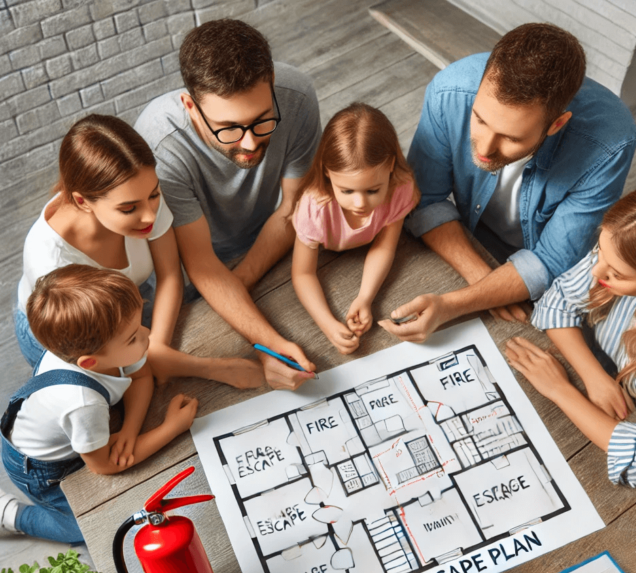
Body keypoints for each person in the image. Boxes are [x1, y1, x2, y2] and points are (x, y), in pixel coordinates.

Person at [381, 23, 636, 343]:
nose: (485, 149)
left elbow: (554, 258)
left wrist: (452, 304)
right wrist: (485, 284)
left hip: (550, 270)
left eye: (511, 137)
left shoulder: (610, 144)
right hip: (469, 238)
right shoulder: (450, 90)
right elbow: (425, 198)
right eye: (479, 119)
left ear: (557, 124)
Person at [135, 18, 322, 389]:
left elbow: (293, 209)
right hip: (178, 275)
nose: (250, 144)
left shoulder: (296, 96)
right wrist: (269, 344)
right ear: (190, 105)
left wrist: (241, 281)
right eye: (229, 128)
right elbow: (200, 263)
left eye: (262, 121)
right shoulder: (159, 146)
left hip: (262, 247)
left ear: (271, 81)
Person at [15, 114, 264, 391]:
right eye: (128, 209)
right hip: (72, 334)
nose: (149, 216)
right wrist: (214, 368)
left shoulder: (140, 195)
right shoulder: (50, 261)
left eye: (155, 195)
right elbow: (111, 357)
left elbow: (170, 275)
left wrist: (157, 346)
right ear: (83, 202)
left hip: (124, 307)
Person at [505, 177, 636, 502]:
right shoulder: (622, 247)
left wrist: (560, 389)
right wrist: (593, 377)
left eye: (617, 274)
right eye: (600, 252)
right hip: (618, 388)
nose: (597, 272)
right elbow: (558, 301)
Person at [0, 265, 199, 542]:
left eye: (139, 322)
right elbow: (104, 464)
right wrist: (172, 428)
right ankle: (12, 515)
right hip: (38, 468)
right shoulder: (83, 404)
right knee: (85, 530)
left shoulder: (92, 348)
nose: (146, 334)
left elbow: (141, 375)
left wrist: (130, 430)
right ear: (90, 363)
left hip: (71, 428)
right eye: (132, 338)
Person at [291, 103, 418, 354]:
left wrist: (365, 297)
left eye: (373, 190)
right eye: (346, 191)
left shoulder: (400, 188)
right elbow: (302, 273)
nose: (360, 203)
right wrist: (327, 324)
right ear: (328, 173)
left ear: (391, 166)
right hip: (314, 238)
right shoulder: (315, 207)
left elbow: (384, 245)